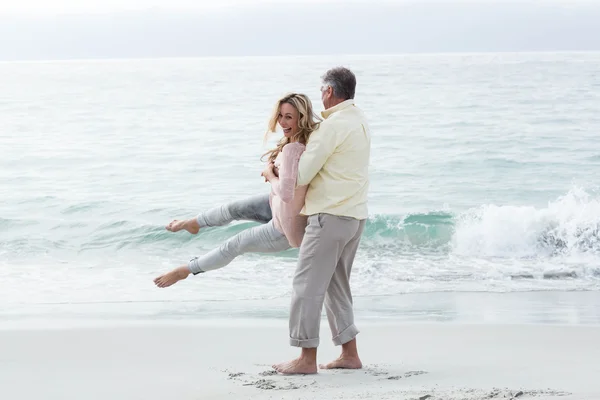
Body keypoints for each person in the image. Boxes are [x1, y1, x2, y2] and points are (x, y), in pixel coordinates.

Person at [153, 93, 321, 288]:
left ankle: (186, 270)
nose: (282, 122)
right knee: (233, 208)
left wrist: (270, 174)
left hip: (283, 228)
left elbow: (285, 192)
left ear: (302, 117)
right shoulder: (302, 143)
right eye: (281, 116)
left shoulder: (294, 149)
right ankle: (193, 223)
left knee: (235, 244)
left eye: (289, 117)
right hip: (276, 206)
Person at [272, 67, 371, 374]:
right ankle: (349, 354)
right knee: (335, 286)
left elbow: (301, 175)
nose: (320, 95)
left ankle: (306, 359)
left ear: (329, 92)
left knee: (306, 285)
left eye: (321, 91)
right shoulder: (359, 120)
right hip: (355, 217)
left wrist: (272, 172)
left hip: (330, 217)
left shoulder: (333, 126)